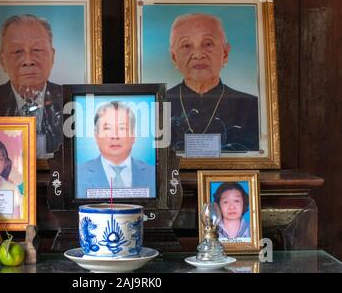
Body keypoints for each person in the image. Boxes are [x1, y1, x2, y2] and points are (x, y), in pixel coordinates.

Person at [0, 14, 63, 158]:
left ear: (53, 56)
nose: (28, 61)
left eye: (37, 50)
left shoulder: (71, 102)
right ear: (2, 60)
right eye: (17, 51)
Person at [166, 13, 259, 152]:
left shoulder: (253, 107)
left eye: (208, 44)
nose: (198, 54)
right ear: (174, 57)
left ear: (225, 54)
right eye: (186, 45)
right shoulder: (159, 105)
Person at [76, 101, 156, 199]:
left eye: (122, 128)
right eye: (107, 128)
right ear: (96, 136)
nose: (115, 136)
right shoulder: (78, 175)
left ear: (133, 136)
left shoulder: (153, 174)